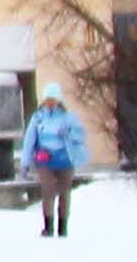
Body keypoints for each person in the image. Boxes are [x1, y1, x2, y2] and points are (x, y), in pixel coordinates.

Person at [21, 89, 89, 235]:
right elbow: (29, 140)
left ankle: (62, 226)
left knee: (64, 193)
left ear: (59, 100)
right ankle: (48, 226)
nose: (50, 103)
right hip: (45, 162)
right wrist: (25, 162)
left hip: (65, 161)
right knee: (48, 191)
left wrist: (69, 133)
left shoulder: (68, 117)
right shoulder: (38, 117)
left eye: (53, 99)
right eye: (48, 99)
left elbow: (81, 135)